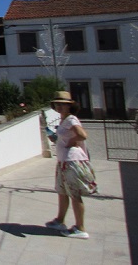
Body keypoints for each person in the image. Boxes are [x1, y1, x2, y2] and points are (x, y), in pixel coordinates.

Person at [45, 91, 97, 239]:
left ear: (70, 106)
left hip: (71, 161)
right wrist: (54, 137)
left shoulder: (71, 119)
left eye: (63, 104)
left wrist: (72, 142)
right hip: (63, 161)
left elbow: (82, 135)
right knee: (62, 192)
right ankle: (59, 221)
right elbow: (61, 140)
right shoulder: (64, 120)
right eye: (57, 104)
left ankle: (80, 228)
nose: (59, 106)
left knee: (74, 194)